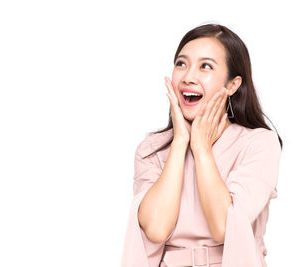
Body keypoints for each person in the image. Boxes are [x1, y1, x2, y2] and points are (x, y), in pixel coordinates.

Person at [120, 23, 283, 267]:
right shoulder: (152, 149)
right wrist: (180, 143)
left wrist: (202, 148)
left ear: (232, 85)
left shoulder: (259, 143)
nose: (188, 77)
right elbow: (155, 228)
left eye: (205, 66)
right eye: (181, 64)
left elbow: (225, 227)